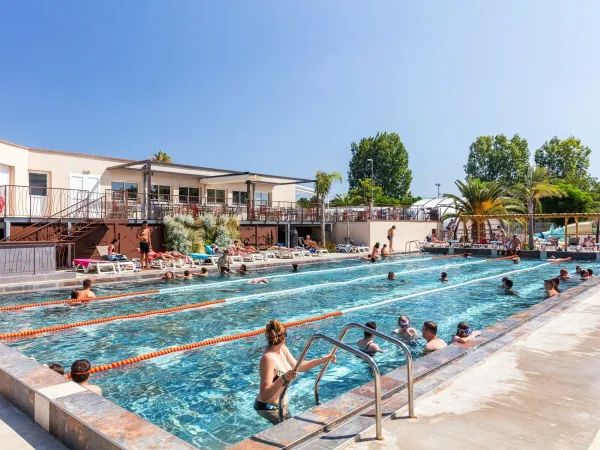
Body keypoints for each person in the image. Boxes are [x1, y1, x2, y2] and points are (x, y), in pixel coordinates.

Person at [255, 319, 336, 423]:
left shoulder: (282, 349)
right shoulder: (268, 358)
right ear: (284, 338)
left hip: (279, 406)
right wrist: (283, 378)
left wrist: (323, 359)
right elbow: (265, 395)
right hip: (268, 408)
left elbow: (299, 366)